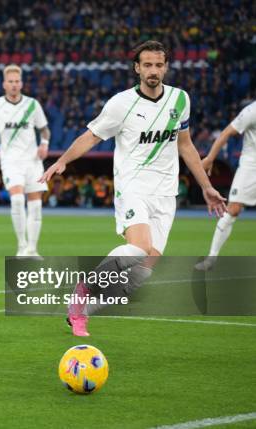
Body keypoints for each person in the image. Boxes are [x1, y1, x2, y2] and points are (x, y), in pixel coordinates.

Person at [39, 40, 227, 336]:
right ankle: (84, 290)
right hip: (133, 186)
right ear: (137, 68)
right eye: (148, 65)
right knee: (138, 248)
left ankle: (81, 311)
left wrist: (206, 186)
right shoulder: (120, 104)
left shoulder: (180, 99)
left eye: (159, 65)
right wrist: (62, 161)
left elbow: (186, 144)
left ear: (166, 67)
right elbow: (91, 137)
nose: (154, 70)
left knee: (141, 273)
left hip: (166, 193)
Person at [0, 64, 51, 257]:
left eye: (17, 81)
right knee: (17, 200)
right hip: (10, 161)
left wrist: (44, 144)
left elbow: (44, 129)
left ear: (22, 83)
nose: (14, 85)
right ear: (4, 84)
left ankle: (32, 250)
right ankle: (21, 246)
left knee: (36, 205)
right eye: (10, 81)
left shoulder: (32, 104)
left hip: (33, 160)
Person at [195, 100, 256, 270]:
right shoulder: (252, 111)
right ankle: (211, 259)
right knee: (233, 209)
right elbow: (226, 133)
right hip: (252, 166)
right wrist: (209, 158)